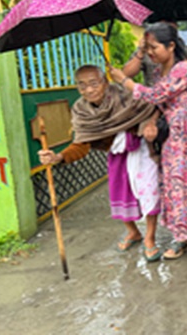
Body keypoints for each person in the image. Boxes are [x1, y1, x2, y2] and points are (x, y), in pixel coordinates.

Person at [110, 22, 187, 259]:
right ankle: (182, 235)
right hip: (175, 136)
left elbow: (156, 94)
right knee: (177, 184)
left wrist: (125, 82)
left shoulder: (184, 69)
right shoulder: (159, 72)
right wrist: (151, 121)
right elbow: (160, 103)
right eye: (148, 48)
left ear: (171, 46)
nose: (150, 53)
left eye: (154, 47)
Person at [38, 65, 162, 261]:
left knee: (148, 191)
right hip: (115, 153)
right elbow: (81, 143)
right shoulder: (81, 110)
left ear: (105, 82)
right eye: (82, 85)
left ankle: (149, 238)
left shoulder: (123, 96)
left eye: (94, 84)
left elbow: (153, 106)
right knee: (119, 192)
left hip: (140, 148)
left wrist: (150, 123)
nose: (89, 90)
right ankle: (133, 233)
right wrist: (58, 157)